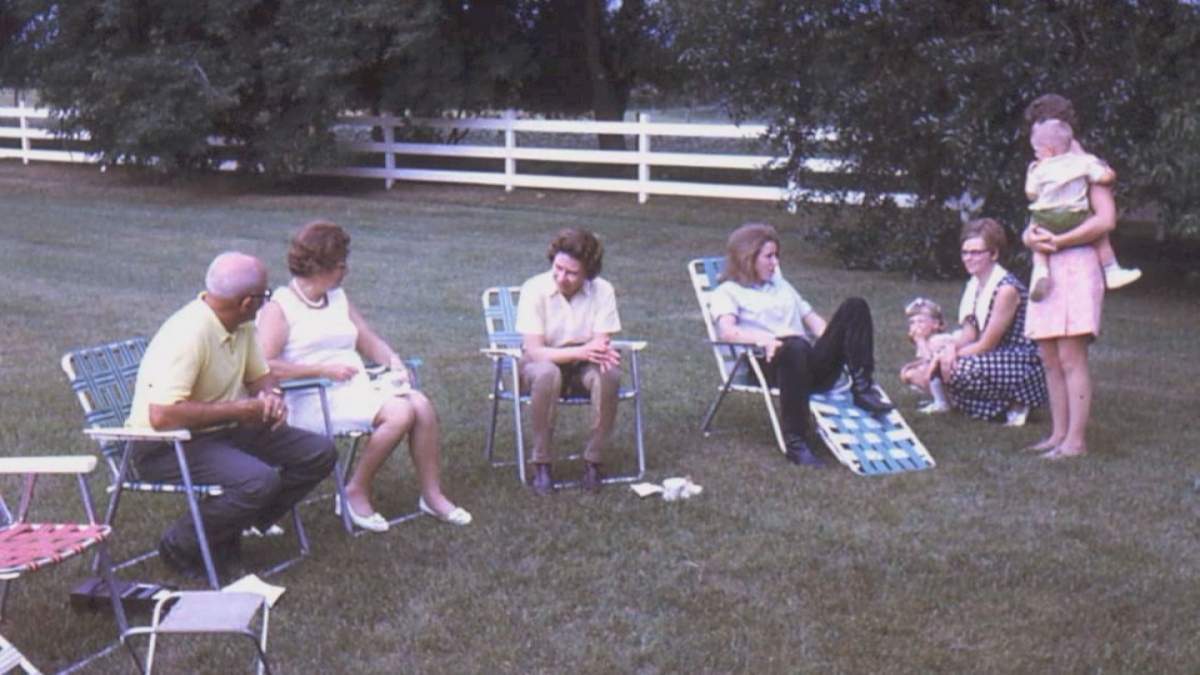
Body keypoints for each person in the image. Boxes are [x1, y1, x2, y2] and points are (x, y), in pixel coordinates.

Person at [126, 252, 337, 579]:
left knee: (318, 452)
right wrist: (239, 409)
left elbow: (261, 377)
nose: (267, 303)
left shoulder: (242, 325)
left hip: (220, 433)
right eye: (265, 296)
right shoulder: (188, 334)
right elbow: (163, 416)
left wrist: (271, 397)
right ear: (246, 302)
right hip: (166, 446)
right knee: (258, 480)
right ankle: (181, 543)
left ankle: (232, 525)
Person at [257, 221, 471, 531]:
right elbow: (263, 366)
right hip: (311, 396)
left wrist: (394, 361)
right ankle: (355, 490)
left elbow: (367, 339)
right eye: (341, 264)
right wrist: (321, 370)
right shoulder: (281, 307)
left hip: (352, 388)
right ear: (319, 266)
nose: (346, 270)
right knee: (400, 412)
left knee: (421, 405)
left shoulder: (337, 297)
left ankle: (432, 495)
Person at [709, 223, 892, 468]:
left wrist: (837, 340)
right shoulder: (727, 292)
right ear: (747, 259)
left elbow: (813, 321)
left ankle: (862, 388)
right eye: (769, 257)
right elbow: (727, 331)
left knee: (854, 306)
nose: (775, 263)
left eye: (776, 256)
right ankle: (796, 443)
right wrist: (764, 339)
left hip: (807, 361)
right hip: (769, 363)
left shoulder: (780, 285)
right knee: (794, 345)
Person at [1022, 94, 1116, 459]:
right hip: (1047, 266)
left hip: (1077, 263)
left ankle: (1076, 441)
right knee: (1049, 356)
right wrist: (1030, 238)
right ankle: (1057, 434)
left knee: (1070, 356)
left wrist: (1060, 241)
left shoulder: (1088, 168)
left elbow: (1105, 220)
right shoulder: (1045, 169)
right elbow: (1038, 217)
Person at [515, 228, 623, 495]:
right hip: (538, 364)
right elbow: (535, 351)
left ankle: (594, 461)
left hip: (582, 366)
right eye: (558, 268)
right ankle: (541, 463)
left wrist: (590, 352)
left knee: (609, 374)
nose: (562, 278)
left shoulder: (603, 290)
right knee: (547, 373)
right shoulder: (534, 288)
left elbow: (600, 345)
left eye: (572, 273)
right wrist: (581, 351)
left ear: (588, 273)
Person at [933, 218, 1048, 426]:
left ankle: (1016, 402)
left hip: (1020, 360)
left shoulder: (1006, 289)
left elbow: (987, 344)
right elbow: (969, 334)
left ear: (993, 254)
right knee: (934, 350)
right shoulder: (974, 283)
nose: (968, 258)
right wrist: (947, 350)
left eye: (976, 253)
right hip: (994, 355)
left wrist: (950, 357)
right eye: (965, 252)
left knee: (962, 370)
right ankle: (975, 403)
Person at [1025, 118, 1140, 300]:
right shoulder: (1084, 162)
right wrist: (1109, 173)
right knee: (1099, 235)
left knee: (1036, 233)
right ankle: (1111, 270)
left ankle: (1041, 271)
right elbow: (1105, 178)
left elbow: (1031, 193)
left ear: (1048, 150)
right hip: (1075, 216)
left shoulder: (1037, 168)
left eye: (1036, 151)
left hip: (1046, 218)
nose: (1036, 155)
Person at [898, 297, 954, 414]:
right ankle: (939, 397)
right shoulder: (927, 340)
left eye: (921, 322)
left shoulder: (938, 340)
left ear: (935, 324)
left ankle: (943, 402)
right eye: (912, 322)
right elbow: (924, 360)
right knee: (911, 372)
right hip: (942, 376)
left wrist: (920, 341)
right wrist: (909, 366)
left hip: (950, 376)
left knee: (919, 372)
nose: (916, 326)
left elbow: (930, 363)